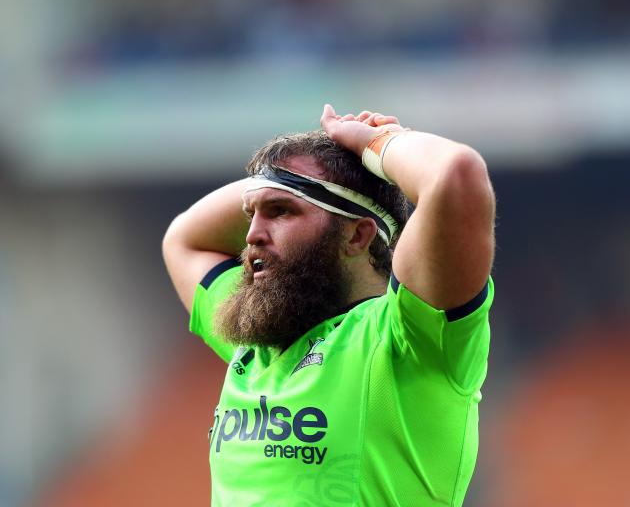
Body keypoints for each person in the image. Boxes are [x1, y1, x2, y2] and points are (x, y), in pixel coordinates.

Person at [162, 104, 496, 506]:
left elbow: (455, 174)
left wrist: (375, 145)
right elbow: (184, 238)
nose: (250, 235)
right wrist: (288, 175)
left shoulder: (407, 341)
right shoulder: (255, 341)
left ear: (356, 237)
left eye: (280, 211)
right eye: (251, 214)